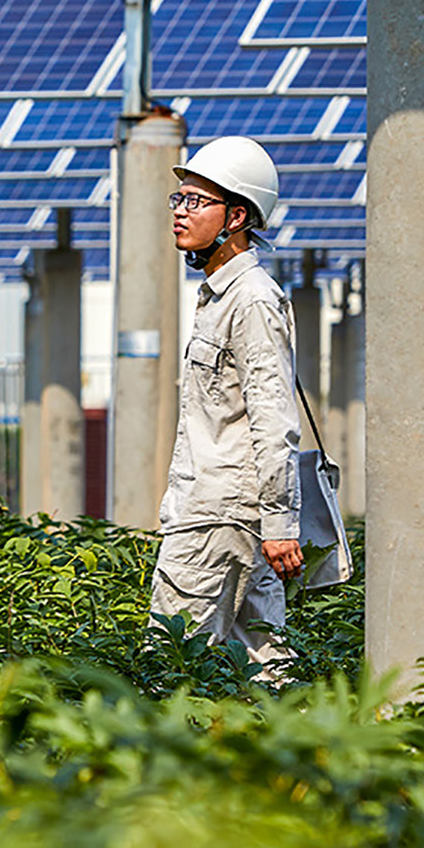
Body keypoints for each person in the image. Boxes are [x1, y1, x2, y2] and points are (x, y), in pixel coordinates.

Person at [149, 135, 301, 682]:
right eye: (178, 199)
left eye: (196, 201)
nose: (180, 212)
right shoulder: (220, 294)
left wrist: (281, 522)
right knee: (266, 673)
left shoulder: (252, 298)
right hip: (237, 517)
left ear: (236, 216)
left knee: (169, 668)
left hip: (217, 517)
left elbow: (272, 414)